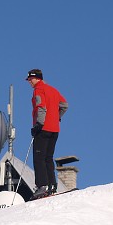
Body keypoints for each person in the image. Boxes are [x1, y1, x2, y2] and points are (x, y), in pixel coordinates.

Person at [26, 68, 68, 200]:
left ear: (36, 78)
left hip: (43, 128)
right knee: (48, 158)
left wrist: (39, 124)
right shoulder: (53, 90)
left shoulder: (38, 89)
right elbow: (64, 105)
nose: (29, 82)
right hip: (55, 129)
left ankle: (42, 186)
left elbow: (41, 106)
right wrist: (57, 117)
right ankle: (52, 185)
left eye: (30, 79)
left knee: (39, 157)